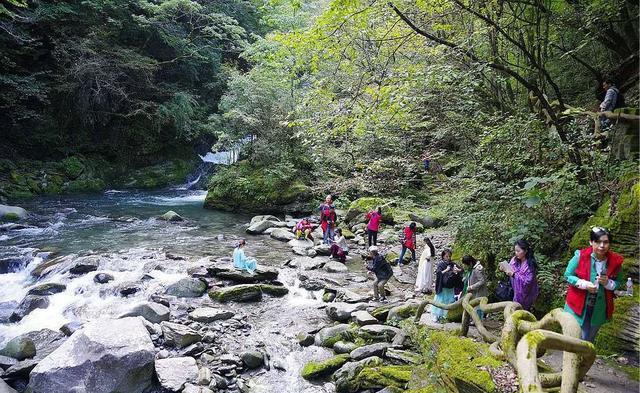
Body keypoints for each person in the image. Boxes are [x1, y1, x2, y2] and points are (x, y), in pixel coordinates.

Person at [564, 227, 624, 342]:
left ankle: (585, 358)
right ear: (591, 242)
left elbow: (619, 282)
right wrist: (583, 284)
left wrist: (608, 283)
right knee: (576, 338)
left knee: (589, 339)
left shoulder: (615, 262)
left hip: (599, 308)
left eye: (605, 242)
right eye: (597, 242)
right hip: (577, 305)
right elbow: (567, 275)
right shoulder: (580, 256)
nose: (602, 246)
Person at [500, 239, 539, 311]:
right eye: (515, 251)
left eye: (518, 251)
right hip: (514, 291)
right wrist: (504, 268)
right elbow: (510, 270)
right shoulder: (514, 260)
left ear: (525, 251)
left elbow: (528, 282)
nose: (516, 253)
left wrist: (514, 275)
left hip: (526, 295)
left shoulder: (530, 265)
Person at [431, 249, 462, 322]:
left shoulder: (452, 264)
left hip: (450, 286)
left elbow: (461, 270)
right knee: (440, 300)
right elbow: (438, 273)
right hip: (443, 286)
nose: (448, 258)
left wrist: (458, 270)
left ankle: (445, 315)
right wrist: (446, 270)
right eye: (446, 256)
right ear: (443, 256)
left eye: (449, 256)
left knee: (449, 300)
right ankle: (435, 315)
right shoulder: (441, 264)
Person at [461, 255, 487, 319]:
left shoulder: (477, 269)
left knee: (478, 307)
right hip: (475, 292)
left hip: (479, 292)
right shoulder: (472, 268)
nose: (465, 267)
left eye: (466, 265)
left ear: (470, 263)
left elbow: (482, 281)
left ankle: (478, 320)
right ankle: (474, 319)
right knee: (474, 306)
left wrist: (471, 287)